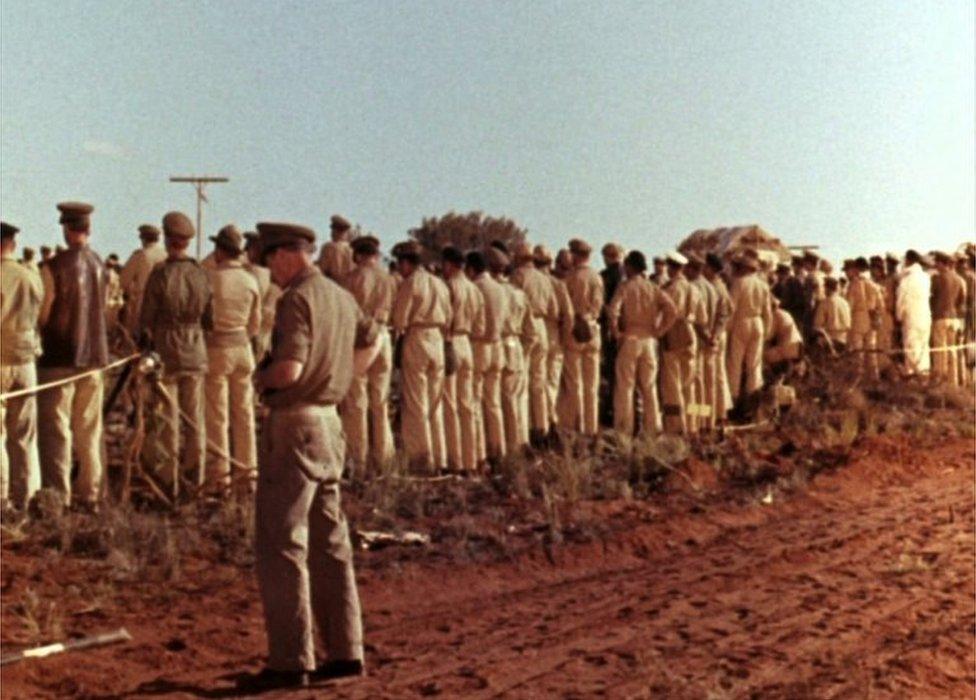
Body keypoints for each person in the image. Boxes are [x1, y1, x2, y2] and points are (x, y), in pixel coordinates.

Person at [244, 221, 365, 692]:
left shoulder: (297, 299)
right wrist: (338, 379)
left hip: (294, 424)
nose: (270, 270)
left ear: (284, 255)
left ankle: (292, 659)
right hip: (330, 422)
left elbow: (289, 368)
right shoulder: (339, 295)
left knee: (282, 543)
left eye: (270, 260)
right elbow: (372, 341)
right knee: (331, 541)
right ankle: (346, 650)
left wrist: (263, 379)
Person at [37, 202, 109, 509]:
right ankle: (90, 493)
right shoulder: (101, 265)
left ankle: (59, 495)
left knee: (57, 430)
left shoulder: (52, 268)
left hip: (60, 356)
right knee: (89, 431)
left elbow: (44, 314)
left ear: (66, 228)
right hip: (94, 359)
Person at [140, 211, 213, 498]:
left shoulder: (160, 273)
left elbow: (146, 316)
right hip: (195, 349)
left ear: (169, 239)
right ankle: (197, 478)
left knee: (167, 419)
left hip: (167, 349)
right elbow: (210, 319)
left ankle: (168, 480)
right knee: (196, 420)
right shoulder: (201, 274)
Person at [203, 225, 261, 488]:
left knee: (217, 415)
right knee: (245, 414)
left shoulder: (211, 279)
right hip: (243, 347)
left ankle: (220, 475)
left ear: (219, 251)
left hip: (217, 348)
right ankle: (248, 472)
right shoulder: (251, 280)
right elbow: (256, 324)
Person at [391, 240, 451, 472]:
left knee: (416, 403)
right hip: (438, 338)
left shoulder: (412, 283)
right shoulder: (440, 284)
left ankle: (421, 458)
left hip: (418, 337)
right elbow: (449, 316)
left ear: (407, 262)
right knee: (435, 403)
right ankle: (440, 456)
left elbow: (399, 319)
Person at [340, 236, 396, 473]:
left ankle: (357, 458)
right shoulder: (389, 278)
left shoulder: (352, 278)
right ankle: (384, 457)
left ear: (360, 255)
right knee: (380, 399)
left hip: (362, 338)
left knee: (356, 399)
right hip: (384, 335)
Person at [606, 250, 677, 438]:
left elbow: (613, 311)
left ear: (630, 267)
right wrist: (660, 331)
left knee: (625, 387)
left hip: (630, 339)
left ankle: (624, 431)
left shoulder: (625, 287)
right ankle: (653, 429)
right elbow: (672, 310)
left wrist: (616, 333)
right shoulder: (653, 288)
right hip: (649, 340)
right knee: (649, 387)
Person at [0, 222, 42, 512]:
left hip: (0, 361)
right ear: (13, 244)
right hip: (26, 363)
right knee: (25, 435)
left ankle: (2, 499)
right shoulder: (31, 276)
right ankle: (27, 498)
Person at [440, 246, 484, 473]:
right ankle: (472, 457)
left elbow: (446, 319)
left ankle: (455, 460)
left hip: (451, 341)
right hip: (468, 343)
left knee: (450, 403)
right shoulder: (474, 289)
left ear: (449, 264)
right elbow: (480, 323)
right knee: (468, 404)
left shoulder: (450, 287)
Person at [510, 242, 557, 444]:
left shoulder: (518, 277)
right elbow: (554, 308)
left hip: (525, 327)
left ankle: (526, 427)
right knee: (540, 380)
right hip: (543, 327)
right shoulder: (545, 279)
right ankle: (542, 426)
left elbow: (514, 303)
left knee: (522, 380)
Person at [468, 250, 508, 464]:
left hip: (480, 346)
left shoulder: (476, 289)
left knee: (474, 400)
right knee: (494, 402)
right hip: (497, 346)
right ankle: (498, 449)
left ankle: (479, 452)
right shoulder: (500, 289)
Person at [563, 238, 604, 436]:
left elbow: (566, 307)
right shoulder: (597, 277)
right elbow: (598, 306)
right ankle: (592, 428)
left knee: (574, 383)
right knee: (591, 385)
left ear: (575, 255)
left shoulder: (570, 278)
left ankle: (575, 427)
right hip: (593, 330)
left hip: (575, 331)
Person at [660, 252, 704, 434]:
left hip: (675, 336)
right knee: (689, 385)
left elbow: (670, 314)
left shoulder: (672, 288)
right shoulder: (694, 289)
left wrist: (660, 332)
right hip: (690, 335)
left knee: (672, 386)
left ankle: (676, 427)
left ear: (671, 267)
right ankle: (693, 424)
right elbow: (703, 318)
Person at [495, 248, 533, 453]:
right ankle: (522, 440)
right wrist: (524, 350)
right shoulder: (519, 294)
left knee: (505, 398)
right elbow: (531, 332)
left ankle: (511, 446)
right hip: (517, 345)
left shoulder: (493, 292)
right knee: (519, 397)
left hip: (501, 345)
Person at [726, 252, 772, 407]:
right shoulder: (763, 285)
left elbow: (731, 308)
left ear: (744, 268)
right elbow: (768, 311)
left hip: (742, 322)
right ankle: (754, 399)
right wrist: (767, 330)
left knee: (735, 363)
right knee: (754, 364)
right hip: (758, 322)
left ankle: (733, 398)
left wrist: (728, 329)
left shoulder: (738, 283)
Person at [534, 245, 571, 439]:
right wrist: (565, 337)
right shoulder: (557, 284)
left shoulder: (531, 280)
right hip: (554, 332)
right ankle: (551, 419)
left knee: (539, 379)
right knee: (552, 381)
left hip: (537, 330)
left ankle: (543, 422)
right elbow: (568, 314)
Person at [119, 224, 167, 340]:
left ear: (143, 239)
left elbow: (123, 281)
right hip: (164, 305)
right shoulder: (166, 255)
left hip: (142, 304)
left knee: (138, 342)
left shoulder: (140, 255)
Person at [702, 253, 734, 425]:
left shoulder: (716, 287)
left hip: (715, 336)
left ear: (711, 268)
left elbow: (726, 312)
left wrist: (714, 334)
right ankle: (719, 413)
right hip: (717, 335)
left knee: (712, 376)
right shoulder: (718, 285)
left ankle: (714, 414)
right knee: (718, 375)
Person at [242, 232, 280, 361]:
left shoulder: (254, 273)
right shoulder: (275, 277)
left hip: (254, 335)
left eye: (249, 248)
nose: (246, 252)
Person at [929, 251, 966, 386]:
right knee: (952, 351)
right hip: (954, 318)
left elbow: (932, 298)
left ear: (941, 263)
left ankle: (941, 381)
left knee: (940, 352)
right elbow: (962, 301)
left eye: (937, 263)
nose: (935, 265)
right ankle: (953, 381)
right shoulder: (959, 279)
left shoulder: (937, 279)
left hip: (940, 317)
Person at [845, 257, 883, 378]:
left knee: (858, 351)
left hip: (857, 319)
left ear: (856, 269)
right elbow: (881, 305)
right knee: (871, 351)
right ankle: (874, 376)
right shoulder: (874, 285)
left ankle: (859, 377)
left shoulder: (854, 285)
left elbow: (848, 305)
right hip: (872, 319)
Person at [896, 250, 932, 377]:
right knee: (923, 347)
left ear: (908, 261)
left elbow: (901, 299)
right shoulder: (926, 278)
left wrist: (899, 315)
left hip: (911, 316)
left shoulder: (907, 278)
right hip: (925, 315)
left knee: (911, 347)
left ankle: (913, 376)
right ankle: (924, 374)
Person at [764, 296, 804, 376]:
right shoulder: (785, 313)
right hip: (798, 345)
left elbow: (768, 335)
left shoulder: (774, 315)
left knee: (764, 356)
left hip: (788, 347)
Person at [813, 277, 851, 350]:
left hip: (830, 339)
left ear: (827, 288)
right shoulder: (845, 302)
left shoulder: (825, 303)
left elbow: (817, 325)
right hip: (845, 339)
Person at [316, 214, 355, 283]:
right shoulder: (353, 249)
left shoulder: (329, 247)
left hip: (333, 286)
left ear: (334, 231)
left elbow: (321, 269)